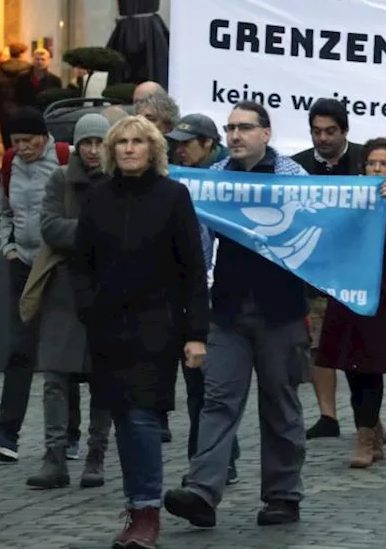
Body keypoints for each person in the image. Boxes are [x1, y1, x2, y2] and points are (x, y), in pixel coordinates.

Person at [164, 101, 313, 530]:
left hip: (280, 311)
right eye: (230, 128)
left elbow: (327, 216)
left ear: (266, 133)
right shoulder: (212, 180)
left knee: (280, 405)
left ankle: (283, 495)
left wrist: (375, 194)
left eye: (244, 127)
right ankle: (202, 492)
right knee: (217, 401)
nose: (235, 136)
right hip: (227, 312)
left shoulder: (291, 177)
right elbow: (198, 243)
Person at [69, 115, 210, 549]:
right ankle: (136, 506)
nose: (129, 148)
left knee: (142, 417)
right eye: (122, 142)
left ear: (153, 149)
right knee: (121, 418)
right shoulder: (97, 198)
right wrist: (89, 309)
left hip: (157, 326)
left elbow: (192, 270)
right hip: (107, 328)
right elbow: (81, 264)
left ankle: (146, 511)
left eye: (138, 142)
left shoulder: (173, 196)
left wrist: (195, 333)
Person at [314, 138, 386, 468]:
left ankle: (364, 437)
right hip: (345, 295)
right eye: (372, 164)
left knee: (369, 367)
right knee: (348, 363)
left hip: (379, 299)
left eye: (383, 164)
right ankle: (373, 425)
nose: (376, 169)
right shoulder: (348, 204)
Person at [26, 114, 114, 491]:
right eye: (87, 143)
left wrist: (82, 232)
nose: (93, 151)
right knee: (56, 378)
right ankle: (55, 457)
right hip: (62, 289)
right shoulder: (60, 179)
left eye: (99, 143)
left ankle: (96, 456)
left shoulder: (119, 180)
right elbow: (48, 227)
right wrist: (96, 231)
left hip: (107, 290)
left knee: (103, 380)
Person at [0, 108, 76, 462]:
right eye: (15, 142)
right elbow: (7, 210)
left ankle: (70, 435)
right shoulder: (10, 163)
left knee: (62, 353)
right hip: (23, 265)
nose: (22, 147)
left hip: (59, 265)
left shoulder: (64, 159)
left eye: (28, 140)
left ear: (44, 137)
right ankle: (6, 433)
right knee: (21, 349)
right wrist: (8, 247)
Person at [164, 113, 240, 482]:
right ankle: (209, 458)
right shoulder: (178, 179)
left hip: (225, 295)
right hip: (189, 293)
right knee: (197, 383)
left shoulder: (227, 178)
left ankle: (215, 459)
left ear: (209, 144)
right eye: (176, 143)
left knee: (215, 385)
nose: (179, 150)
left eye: (187, 143)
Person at [290, 99, 364, 440]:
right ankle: (327, 415)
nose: (322, 138)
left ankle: (368, 415)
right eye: (316, 132)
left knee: (357, 346)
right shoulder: (297, 167)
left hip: (357, 268)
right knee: (318, 345)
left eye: (330, 131)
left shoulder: (367, 161)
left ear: (345, 131)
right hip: (315, 270)